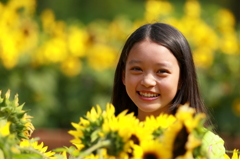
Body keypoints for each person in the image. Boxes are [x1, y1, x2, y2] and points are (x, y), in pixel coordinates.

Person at [111, 22, 225, 158]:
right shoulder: (108, 140)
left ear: (182, 78)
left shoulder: (204, 145)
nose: (147, 81)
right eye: (137, 69)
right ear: (123, 75)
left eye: (161, 71)